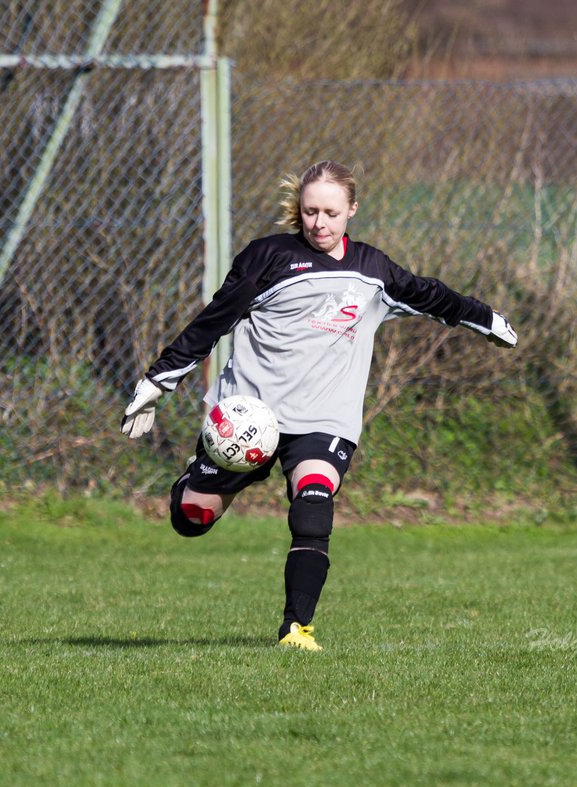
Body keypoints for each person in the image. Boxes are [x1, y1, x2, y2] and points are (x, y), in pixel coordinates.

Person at [120, 160, 517, 651]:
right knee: (191, 518)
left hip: (324, 419)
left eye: (331, 212)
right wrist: (160, 380)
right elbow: (214, 320)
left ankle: (295, 628)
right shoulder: (266, 257)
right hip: (250, 418)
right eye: (310, 211)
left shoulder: (372, 270)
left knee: (313, 500)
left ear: (352, 209)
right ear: (299, 210)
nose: (319, 223)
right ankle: (194, 477)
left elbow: (428, 294)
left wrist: (484, 317)